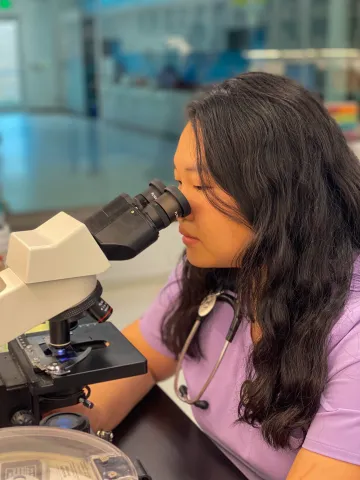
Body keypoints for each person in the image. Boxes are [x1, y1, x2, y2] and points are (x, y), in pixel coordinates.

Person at [52, 72, 360, 480]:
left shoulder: (350, 330)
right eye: (179, 183)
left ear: (277, 195)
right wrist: (55, 441)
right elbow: (139, 361)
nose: (177, 206)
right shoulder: (214, 271)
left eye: (200, 184)